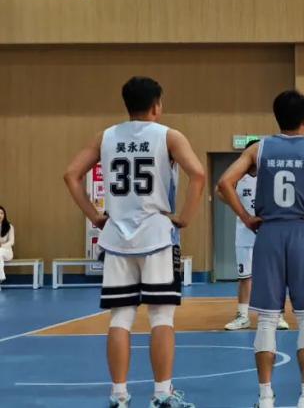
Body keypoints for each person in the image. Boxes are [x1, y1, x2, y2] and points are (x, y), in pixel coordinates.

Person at [63, 76, 205, 408]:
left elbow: (71, 175)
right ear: (157, 105)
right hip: (156, 235)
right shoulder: (169, 136)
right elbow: (198, 174)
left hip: (116, 239)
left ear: (127, 105)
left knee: (120, 318)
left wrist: (94, 215)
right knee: (162, 318)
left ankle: (119, 395)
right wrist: (184, 217)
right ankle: (162, 394)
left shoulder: (105, 137)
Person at [217, 90, 304, 408]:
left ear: (276, 117)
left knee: (267, 319)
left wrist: (247, 217)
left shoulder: (258, 149)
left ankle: (265, 397)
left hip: (268, 233)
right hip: (303, 233)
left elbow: (225, 183)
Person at [221, 139, 289, 331]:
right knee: (245, 277)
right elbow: (220, 191)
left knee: (274, 276)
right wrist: (238, 207)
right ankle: (243, 316)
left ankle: (278, 315)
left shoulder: (272, 175)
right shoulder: (237, 177)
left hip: (269, 233)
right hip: (244, 234)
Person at [0, 206, 14, 283]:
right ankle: (1, 277)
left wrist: (2, 245)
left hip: (7, 252)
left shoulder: (9, 226)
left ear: (4, 215)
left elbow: (12, 242)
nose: (0, 215)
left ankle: (1, 277)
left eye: (1, 213)